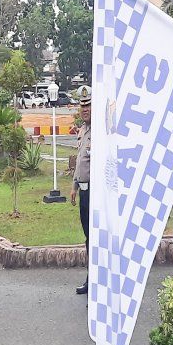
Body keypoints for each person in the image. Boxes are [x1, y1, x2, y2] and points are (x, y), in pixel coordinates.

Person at [70, 86, 92, 294]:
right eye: (82, 105)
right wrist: (74, 187)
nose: (84, 109)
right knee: (88, 238)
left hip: (96, 194)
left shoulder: (100, 132)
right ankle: (91, 277)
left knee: (96, 238)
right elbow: (80, 162)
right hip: (84, 191)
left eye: (88, 105)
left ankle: (96, 279)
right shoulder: (83, 131)